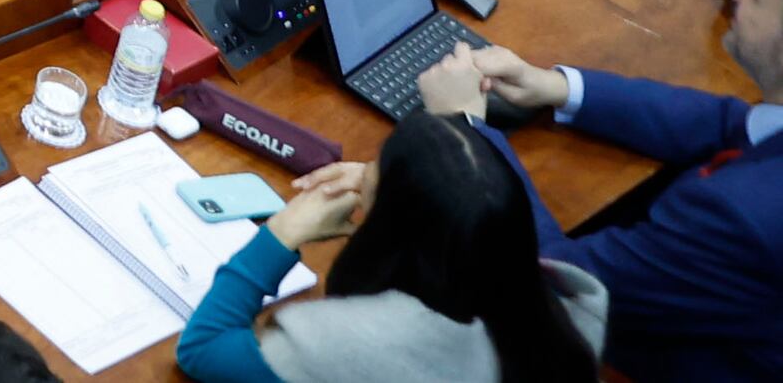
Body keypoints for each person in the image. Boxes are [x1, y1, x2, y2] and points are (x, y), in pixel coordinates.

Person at [410, 0, 783, 381]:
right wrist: (554, 87)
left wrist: (462, 129)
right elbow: (732, 124)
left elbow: (561, 285)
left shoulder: (742, 218)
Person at [172, 102, 600, 382]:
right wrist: (396, 181)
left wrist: (281, 234)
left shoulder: (353, 350)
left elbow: (201, 348)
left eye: (371, 174)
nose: (361, 177)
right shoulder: (553, 320)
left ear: (394, 230)